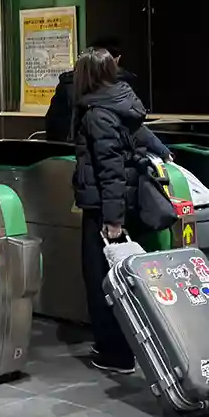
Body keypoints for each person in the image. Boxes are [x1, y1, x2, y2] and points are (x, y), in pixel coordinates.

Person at [72, 47, 156, 374]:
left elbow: (109, 171)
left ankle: (116, 353)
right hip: (124, 204)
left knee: (101, 281)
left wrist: (112, 221)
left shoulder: (96, 113)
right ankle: (120, 345)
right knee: (123, 280)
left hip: (105, 211)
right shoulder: (122, 102)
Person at [45, 37, 170, 160]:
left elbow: (53, 124)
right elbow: (134, 128)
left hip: (65, 157)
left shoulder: (75, 91)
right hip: (100, 162)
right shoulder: (117, 93)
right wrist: (162, 151)